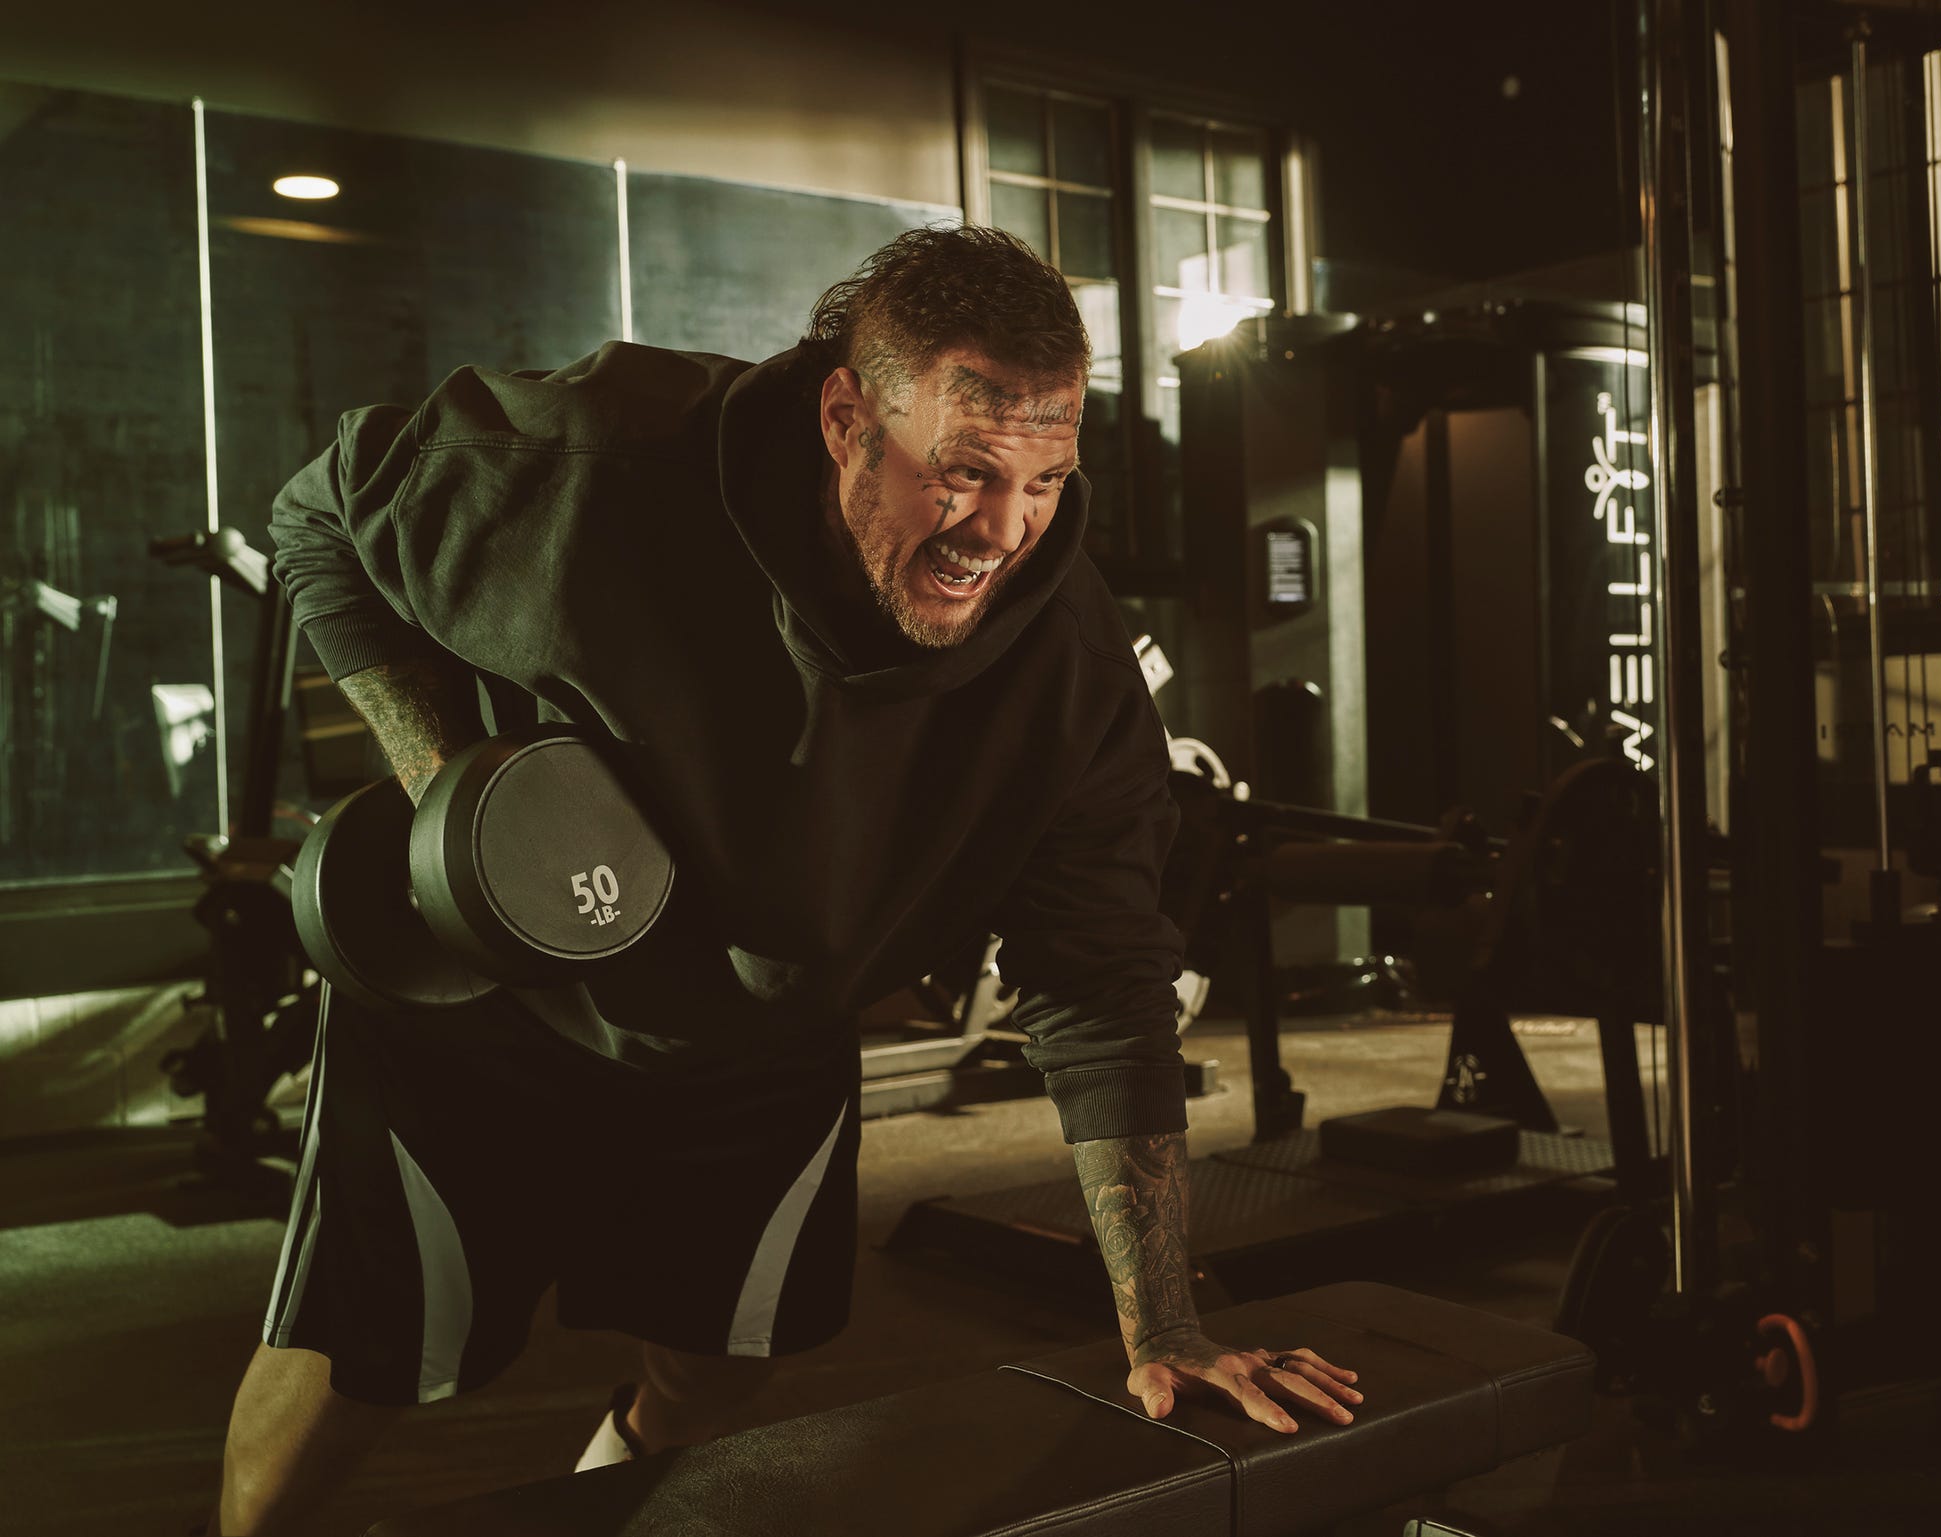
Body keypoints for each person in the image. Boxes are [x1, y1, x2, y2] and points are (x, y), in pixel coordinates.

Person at [209, 224, 1359, 1535]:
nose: (1004, 529)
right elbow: (319, 516)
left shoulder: (1071, 671)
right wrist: (451, 783)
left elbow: (1100, 979)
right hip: (490, 1000)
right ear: (844, 418)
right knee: (356, 1362)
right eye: (965, 472)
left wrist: (1165, 1321)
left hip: (764, 1023)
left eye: (1046, 479)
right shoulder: (588, 466)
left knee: (729, 1358)